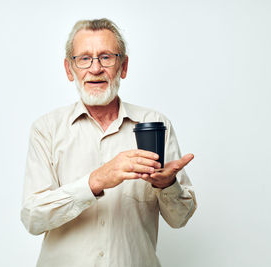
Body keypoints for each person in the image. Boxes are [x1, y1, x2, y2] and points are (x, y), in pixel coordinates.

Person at [21, 18, 197, 267]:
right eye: (84, 58)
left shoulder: (156, 124)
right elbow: (33, 218)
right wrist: (95, 181)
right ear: (69, 69)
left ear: (123, 67)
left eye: (106, 57)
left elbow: (180, 219)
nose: (95, 69)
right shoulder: (46, 129)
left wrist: (168, 184)